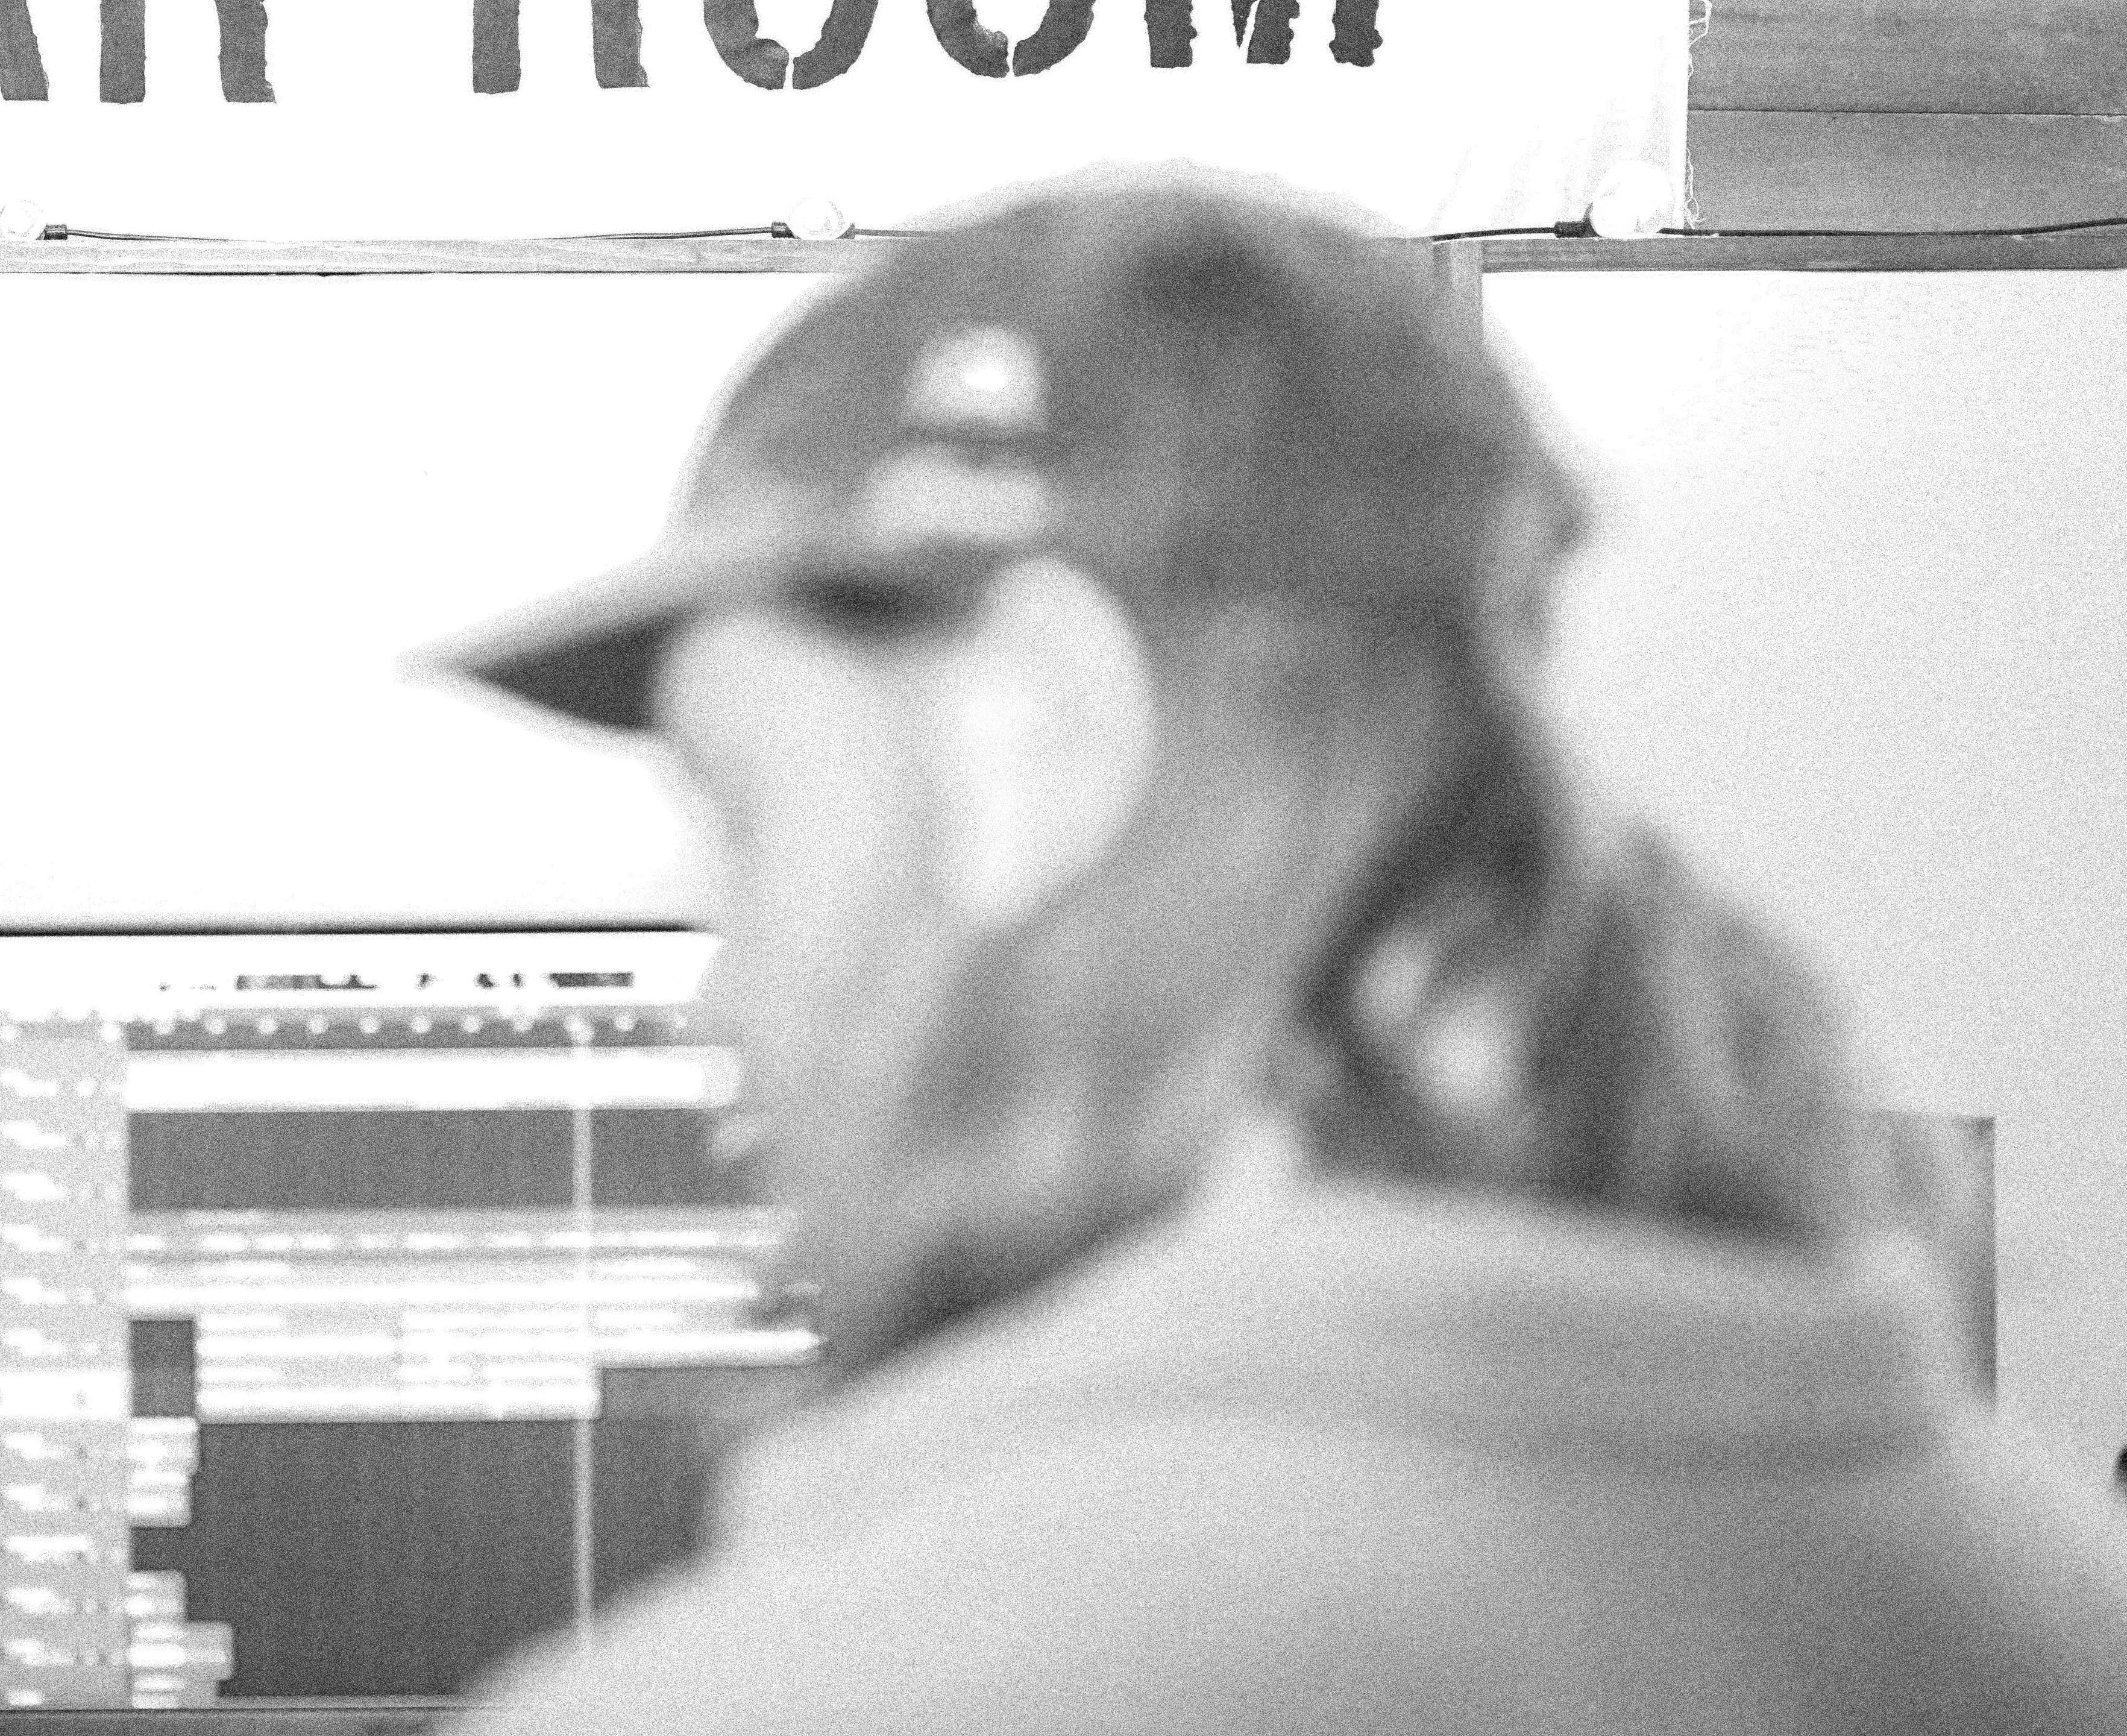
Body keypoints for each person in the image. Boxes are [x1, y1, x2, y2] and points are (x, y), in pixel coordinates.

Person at [427, 169, 2127, 1735]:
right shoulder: (2044, 1596)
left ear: (1036, 741)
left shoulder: (784, 1704)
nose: (717, 986)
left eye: (741, 817)